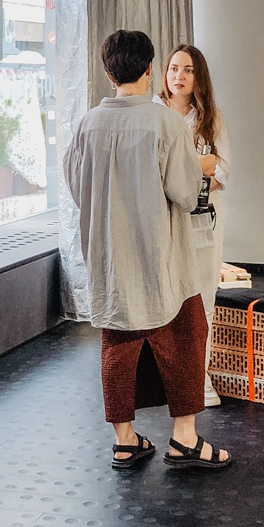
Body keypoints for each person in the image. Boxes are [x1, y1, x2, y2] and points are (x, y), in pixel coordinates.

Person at [62, 29, 233, 471]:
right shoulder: (165, 123)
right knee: (186, 334)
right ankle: (185, 438)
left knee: (117, 345)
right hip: (161, 254)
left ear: (108, 73)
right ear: (150, 69)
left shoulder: (87, 124)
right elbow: (185, 192)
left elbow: (77, 188)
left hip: (109, 255)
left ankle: (124, 441)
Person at [157, 44, 230, 407]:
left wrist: (191, 175)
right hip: (162, 219)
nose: (179, 76)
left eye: (188, 70)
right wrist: (197, 167)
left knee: (203, 300)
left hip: (203, 220)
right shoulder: (153, 113)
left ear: (199, 76)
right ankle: (167, 380)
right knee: (165, 299)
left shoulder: (211, 117)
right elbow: (156, 172)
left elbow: (222, 170)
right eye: (174, 68)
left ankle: (199, 379)